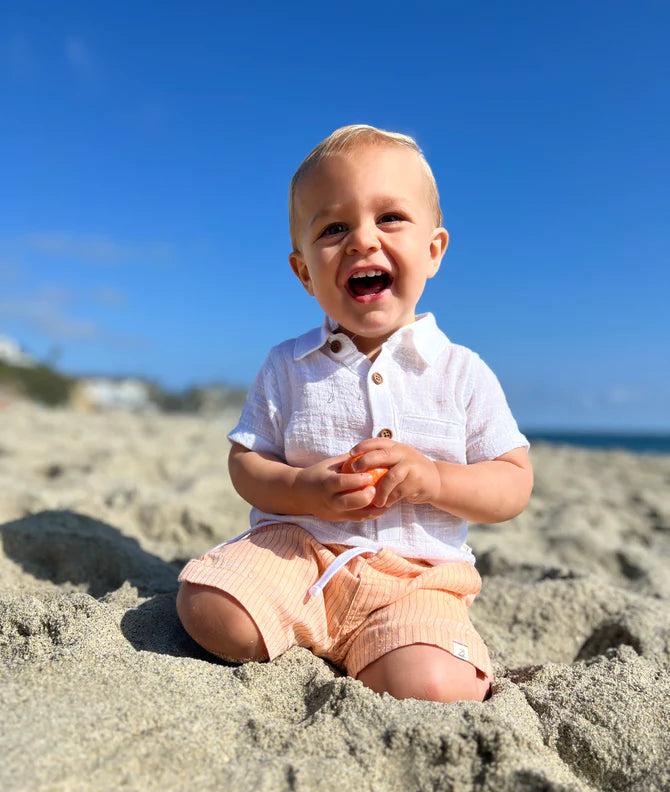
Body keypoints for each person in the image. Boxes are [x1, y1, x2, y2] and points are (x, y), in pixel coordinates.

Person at [176, 124, 533, 703]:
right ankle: (312, 633)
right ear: (305, 273)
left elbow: (513, 483)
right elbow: (246, 464)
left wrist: (437, 479)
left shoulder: (462, 371)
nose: (363, 241)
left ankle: (382, 648)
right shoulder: (289, 365)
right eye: (334, 228)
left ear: (434, 250)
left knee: (437, 686)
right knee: (212, 610)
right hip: (300, 552)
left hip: (417, 579)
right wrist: (300, 488)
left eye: (390, 218)